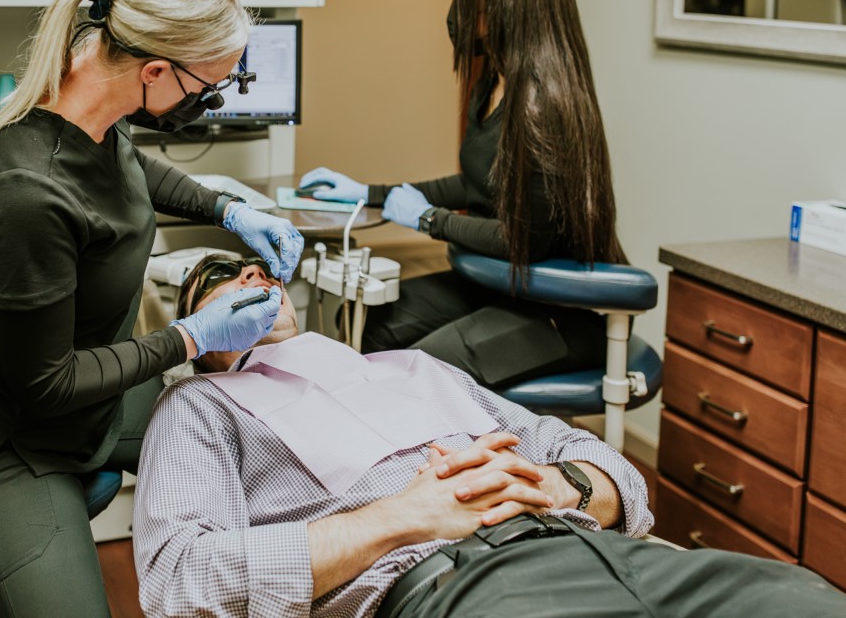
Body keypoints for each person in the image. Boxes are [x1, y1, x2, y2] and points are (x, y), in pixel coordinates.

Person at [0, 0, 304, 618]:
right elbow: (47, 384)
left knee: (269, 456)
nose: (206, 104)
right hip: (6, 443)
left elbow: (128, 168)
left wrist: (228, 209)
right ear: (154, 72)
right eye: (206, 89)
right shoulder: (27, 194)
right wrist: (191, 337)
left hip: (96, 404)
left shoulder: (93, 107)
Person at [132, 255, 846, 618]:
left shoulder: (411, 367)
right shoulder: (201, 405)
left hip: (594, 548)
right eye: (220, 281)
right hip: (459, 585)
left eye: (257, 269)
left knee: (803, 598)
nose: (250, 274)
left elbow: (606, 468)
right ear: (199, 336)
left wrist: (564, 487)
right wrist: (402, 518)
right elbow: (178, 582)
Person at [299, 0, 626, 389]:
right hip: (496, 286)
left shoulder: (545, 108)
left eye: (473, 4)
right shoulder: (493, 83)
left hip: (556, 313)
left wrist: (428, 220)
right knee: (372, 321)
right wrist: (370, 193)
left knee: (420, 373)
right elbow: (478, 184)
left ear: (512, 12)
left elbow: (524, 241)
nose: (458, 16)